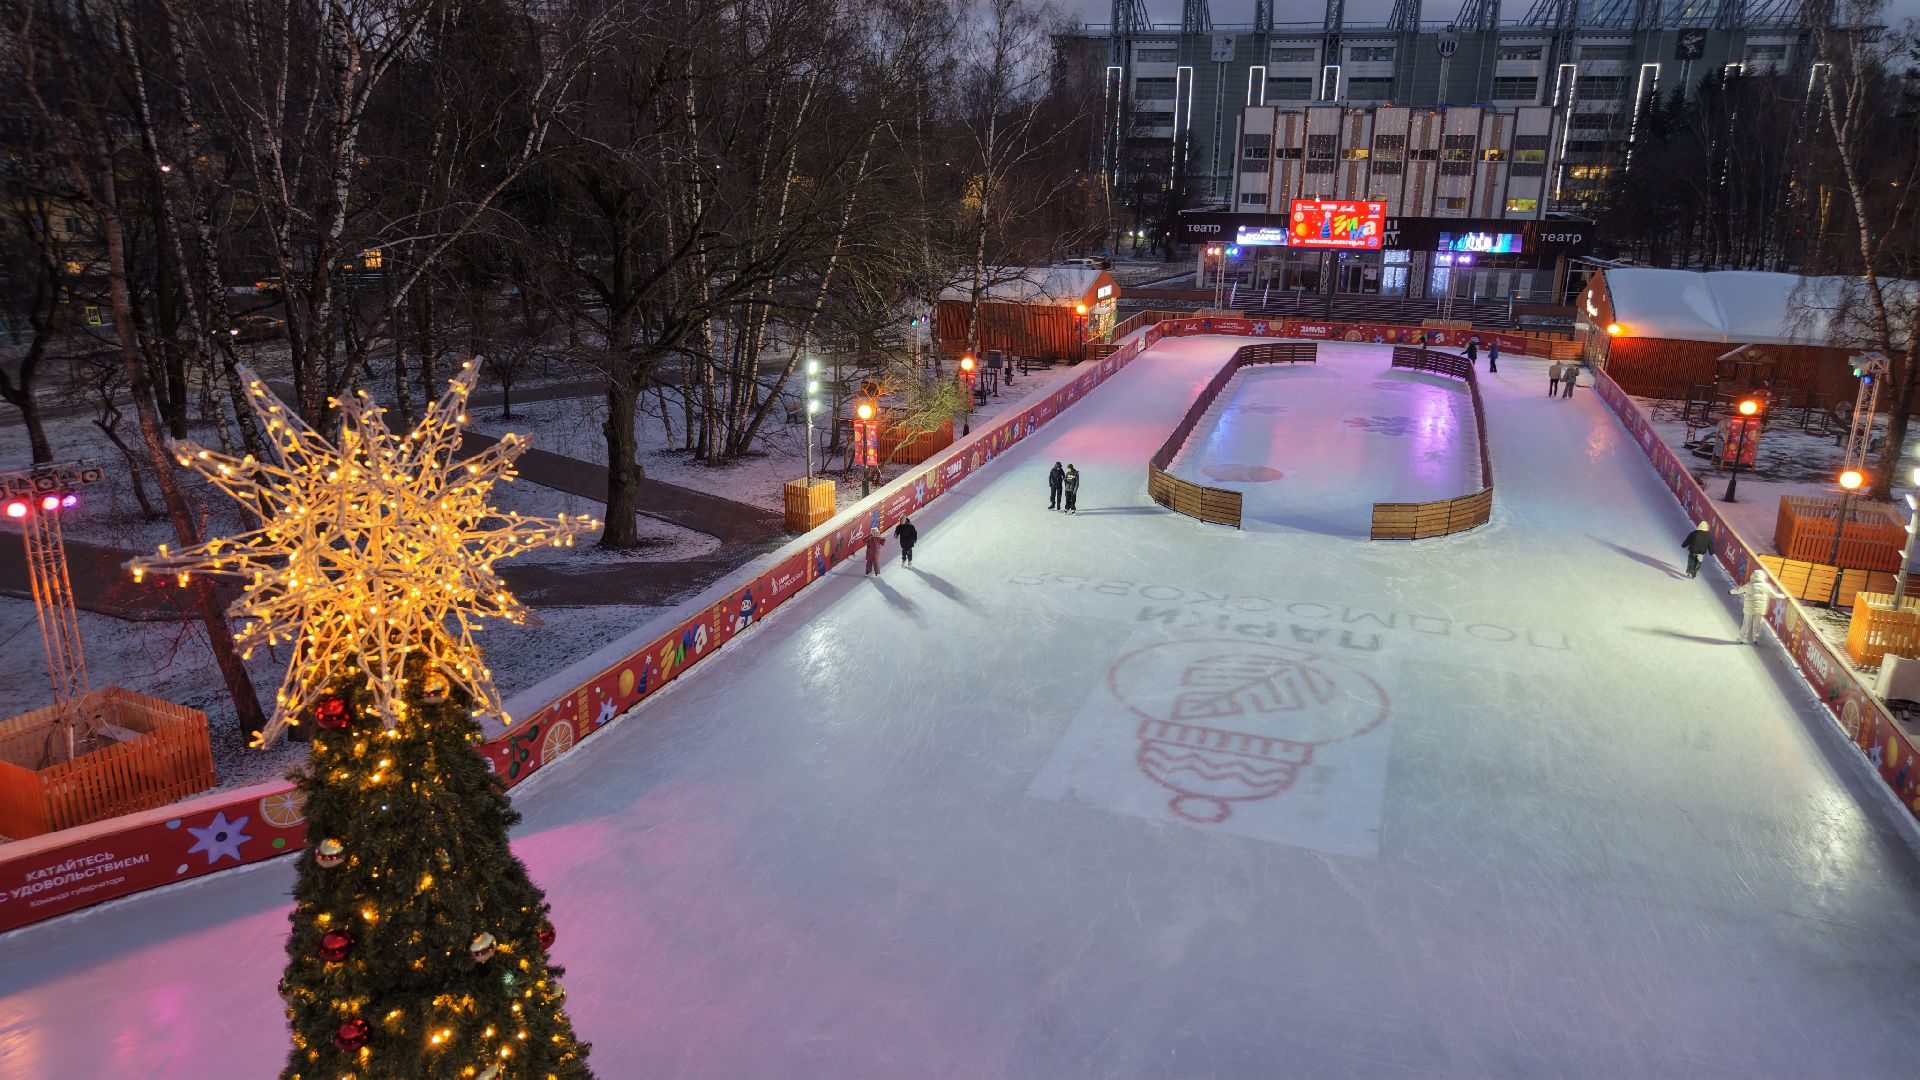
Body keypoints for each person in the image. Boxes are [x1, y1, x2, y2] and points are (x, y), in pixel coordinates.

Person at [1729, 570, 1785, 643]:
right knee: (1757, 623)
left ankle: (1742, 638)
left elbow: (1738, 590)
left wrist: (1730, 592)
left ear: (1752, 577)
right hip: (1760, 609)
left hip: (1749, 609)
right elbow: (1775, 596)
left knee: (1746, 623)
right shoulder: (1766, 586)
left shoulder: (1749, 585)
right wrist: (1784, 596)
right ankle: (1755, 638)